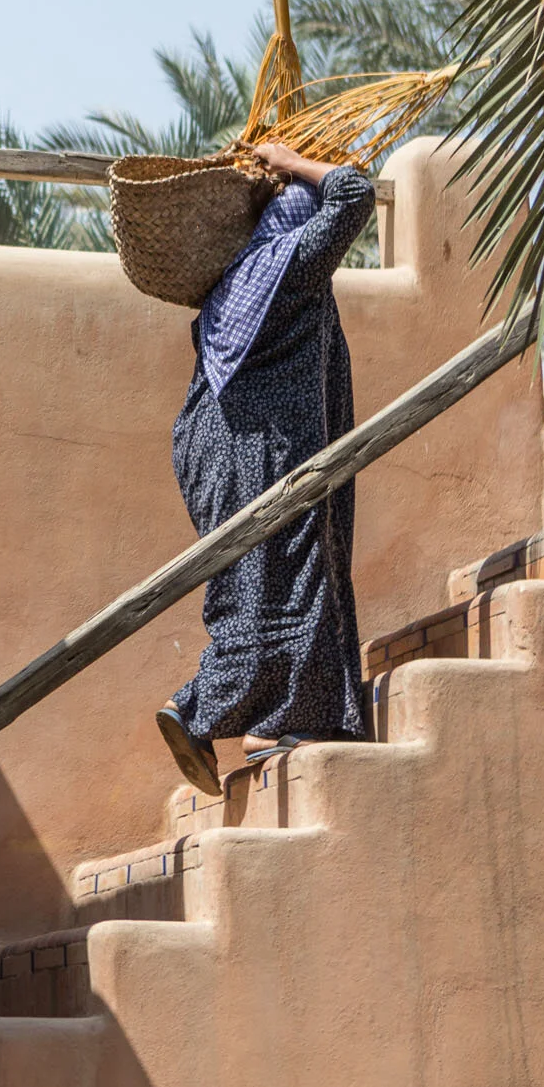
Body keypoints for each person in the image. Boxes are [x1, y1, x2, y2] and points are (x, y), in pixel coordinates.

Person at [154, 142, 377, 796]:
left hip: (211, 449)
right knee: (296, 573)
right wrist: (294, 162)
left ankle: (259, 719)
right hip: (272, 449)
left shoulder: (237, 278)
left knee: (250, 584)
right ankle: (212, 709)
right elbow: (354, 194)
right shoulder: (295, 263)